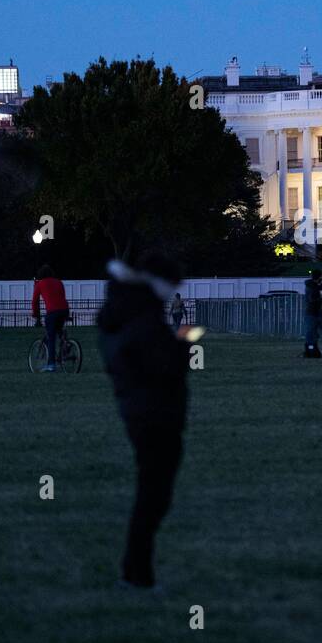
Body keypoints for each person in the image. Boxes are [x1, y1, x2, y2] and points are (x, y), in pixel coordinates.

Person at [98, 250, 194, 591]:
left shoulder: (123, 313)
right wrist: (183, 344)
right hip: (155, 413)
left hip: (140, 410)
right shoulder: (144, 318)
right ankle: (137, 572)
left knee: (151, 493)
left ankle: (136, 570)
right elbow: (165, 365)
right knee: (154, 496)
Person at [31, 264, 70, 372]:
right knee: (59, 331)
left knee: (51, 337)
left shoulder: (40, 284)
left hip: (52, 312)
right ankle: (66, 344)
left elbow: (35, 301)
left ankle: (51, 364)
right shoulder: (59, 282)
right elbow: (62, 297)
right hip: (64, 310)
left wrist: (36, 315)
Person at [303, 268, 322, 355]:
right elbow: (312, 299)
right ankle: (310, 349)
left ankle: (313, 348)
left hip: (315, 312)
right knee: (311, 331)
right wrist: (321, 297)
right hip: (312, 312)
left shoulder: (314, 286)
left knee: (314, 332)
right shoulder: (311, 287)